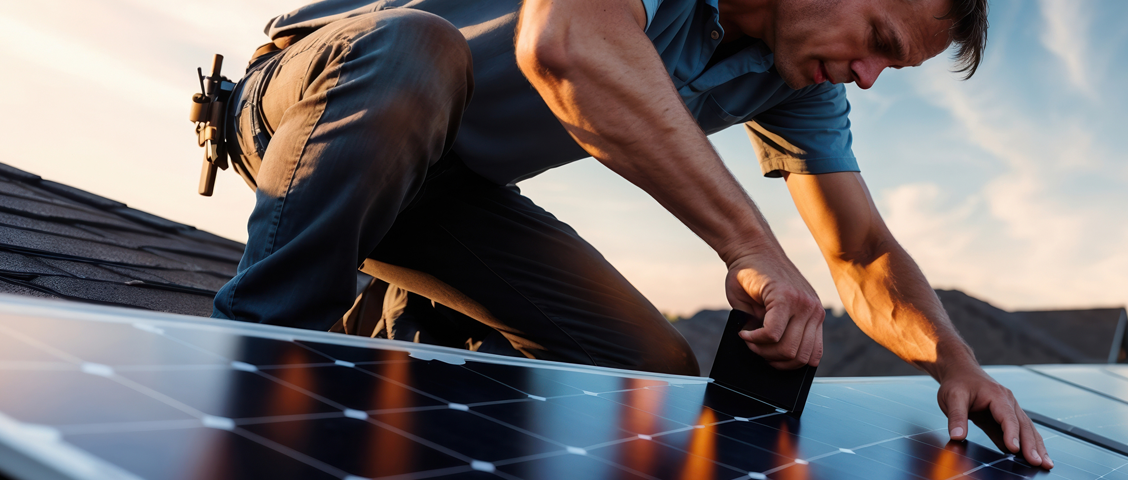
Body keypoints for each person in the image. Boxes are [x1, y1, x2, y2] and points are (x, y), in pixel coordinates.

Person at [214, 0, 1050, 467]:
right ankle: (244, 379)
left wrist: (957, 363)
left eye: (887, 67)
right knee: (418, 49)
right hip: (318, 106)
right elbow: (567, 43)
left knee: (649, 371)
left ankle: (406, 361)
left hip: (447, 197)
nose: (868, 77)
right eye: (876, 41)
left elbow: (860, 249)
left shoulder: (793, 80)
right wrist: (751, 247)